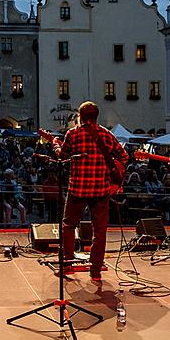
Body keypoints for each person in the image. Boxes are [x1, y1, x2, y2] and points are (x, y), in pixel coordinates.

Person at [55, 101, 129, 282]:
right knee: (100, 231)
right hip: (101, 191)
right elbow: (125, 157)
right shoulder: (107, 134)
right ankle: (95, 271)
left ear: (80, 116)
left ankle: (68, 264)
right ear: (96, 116)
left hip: (78, 189)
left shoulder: (73, 134)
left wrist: (56, 146)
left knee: (69, 226)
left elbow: (63, 157)